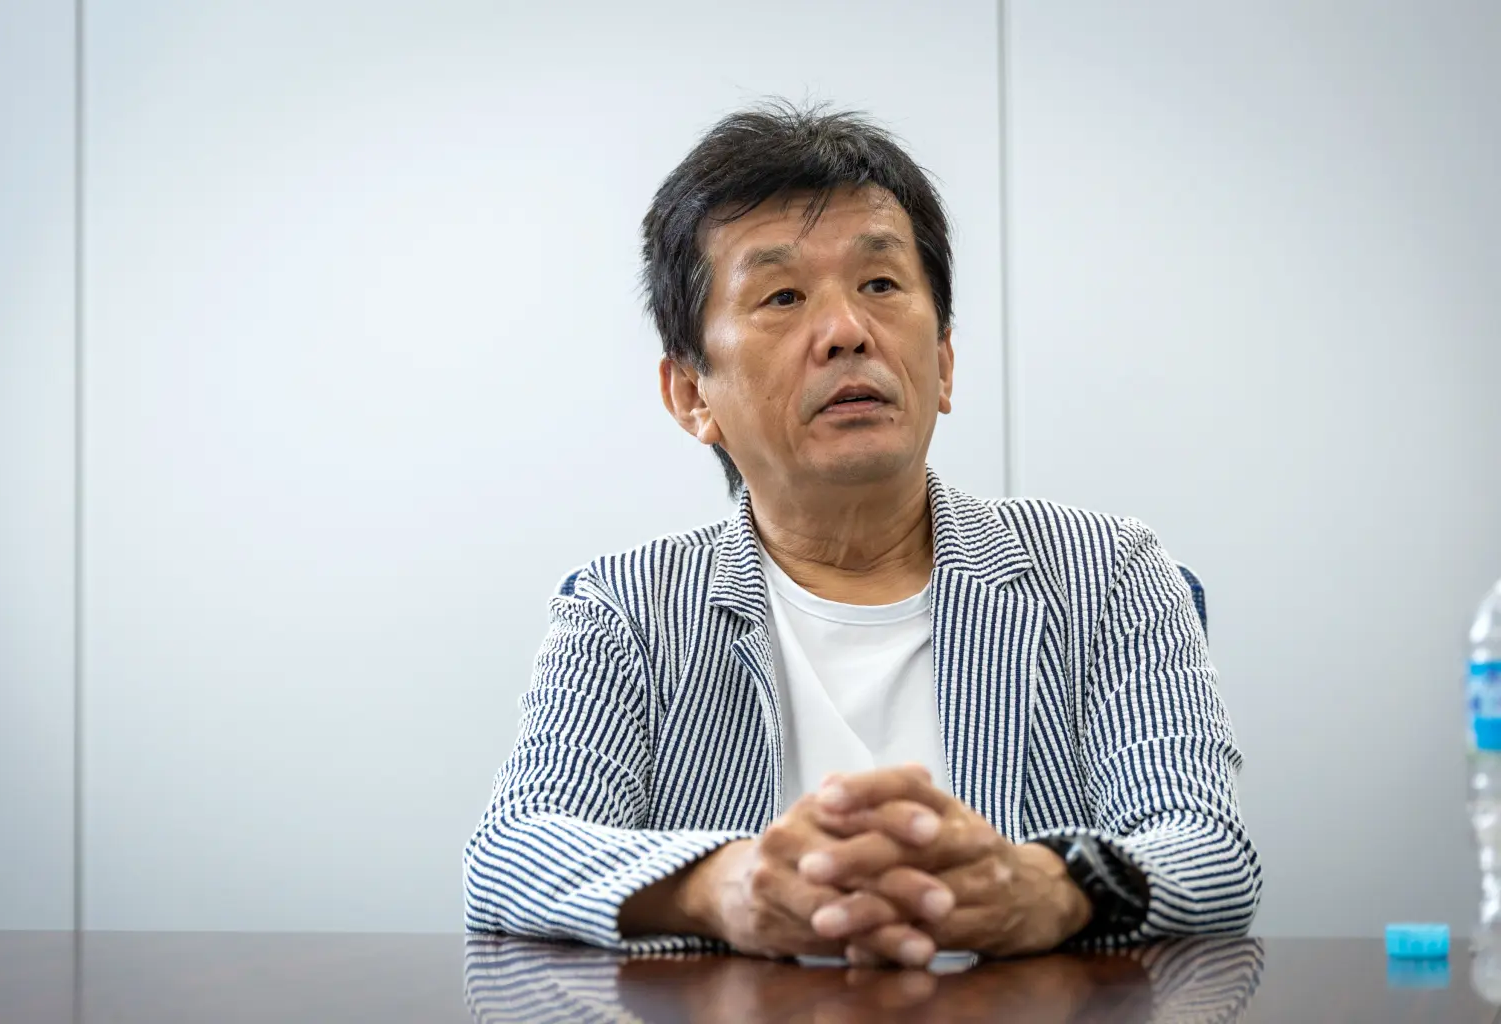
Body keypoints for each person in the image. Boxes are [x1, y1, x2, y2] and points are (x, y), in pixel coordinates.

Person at [463, 101, 1260, 967]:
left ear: (943, 361)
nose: (847, 332)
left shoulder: (1105, 573)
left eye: (880, 285)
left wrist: (1044, 887)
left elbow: (1209, 850)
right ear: (691, 395)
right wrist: (724, 887)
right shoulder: (629, 608)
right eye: (782, 296)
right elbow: (510, 855)